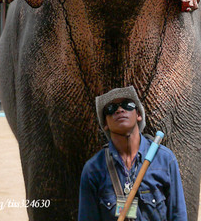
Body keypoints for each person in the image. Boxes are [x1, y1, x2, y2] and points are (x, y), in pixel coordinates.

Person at [78, 86, 187, 220]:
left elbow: (178, 216)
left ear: (139, 115)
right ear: (104, 123)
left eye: (128, 105)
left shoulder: (165, 160)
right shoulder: (93, 170)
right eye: (111, 108)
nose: (120, 110)